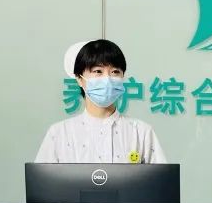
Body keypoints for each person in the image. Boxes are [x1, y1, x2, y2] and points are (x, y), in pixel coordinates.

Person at [36, 39, 166, 164]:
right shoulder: (59, 133)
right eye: (98, 71)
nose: (107, 79)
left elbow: (162, 178)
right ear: (79, 79)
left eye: (115, 71)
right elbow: (41, 178)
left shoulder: (141, 132)